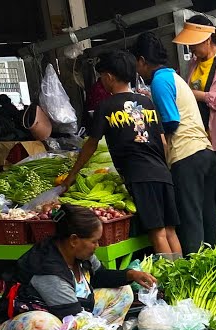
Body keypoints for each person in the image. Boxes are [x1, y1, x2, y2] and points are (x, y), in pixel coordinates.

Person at [0, 205, 157, 330]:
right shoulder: (48, 270)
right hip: (23, 325)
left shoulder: (80, 254)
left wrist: (131, 274)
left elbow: (99, 276)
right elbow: (73, 316)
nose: (97, 246)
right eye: (94, 241)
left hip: (69, 315)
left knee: (123, 292)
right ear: (74, 240)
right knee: (43, 323)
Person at [63, 50, 180, 257]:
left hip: (140, 176)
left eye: (102, 77)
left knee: (158, 233)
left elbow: (91, 144)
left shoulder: (105, 107)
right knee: (170, 230)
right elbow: (163, 141)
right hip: (162, 173)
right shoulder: (147, 103)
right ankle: (181, 279)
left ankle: (170, 283)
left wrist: (72, 174)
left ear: (109, 77)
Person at [132, 33, 216, 256]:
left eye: (136, 63)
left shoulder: (160, 81)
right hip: (204, 153)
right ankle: (213, 264)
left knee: (190, 219)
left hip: (186, 154)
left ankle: (196, 270)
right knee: (207, 215)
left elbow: (171, 121)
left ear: (141, 60)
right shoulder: (174, 77)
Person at [174, 15, 216, 231]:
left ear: (207, 39)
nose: (192, 49)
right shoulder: (194, 63)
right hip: (199, 138)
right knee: (211, 196)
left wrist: (201, 96)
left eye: (194, 44)